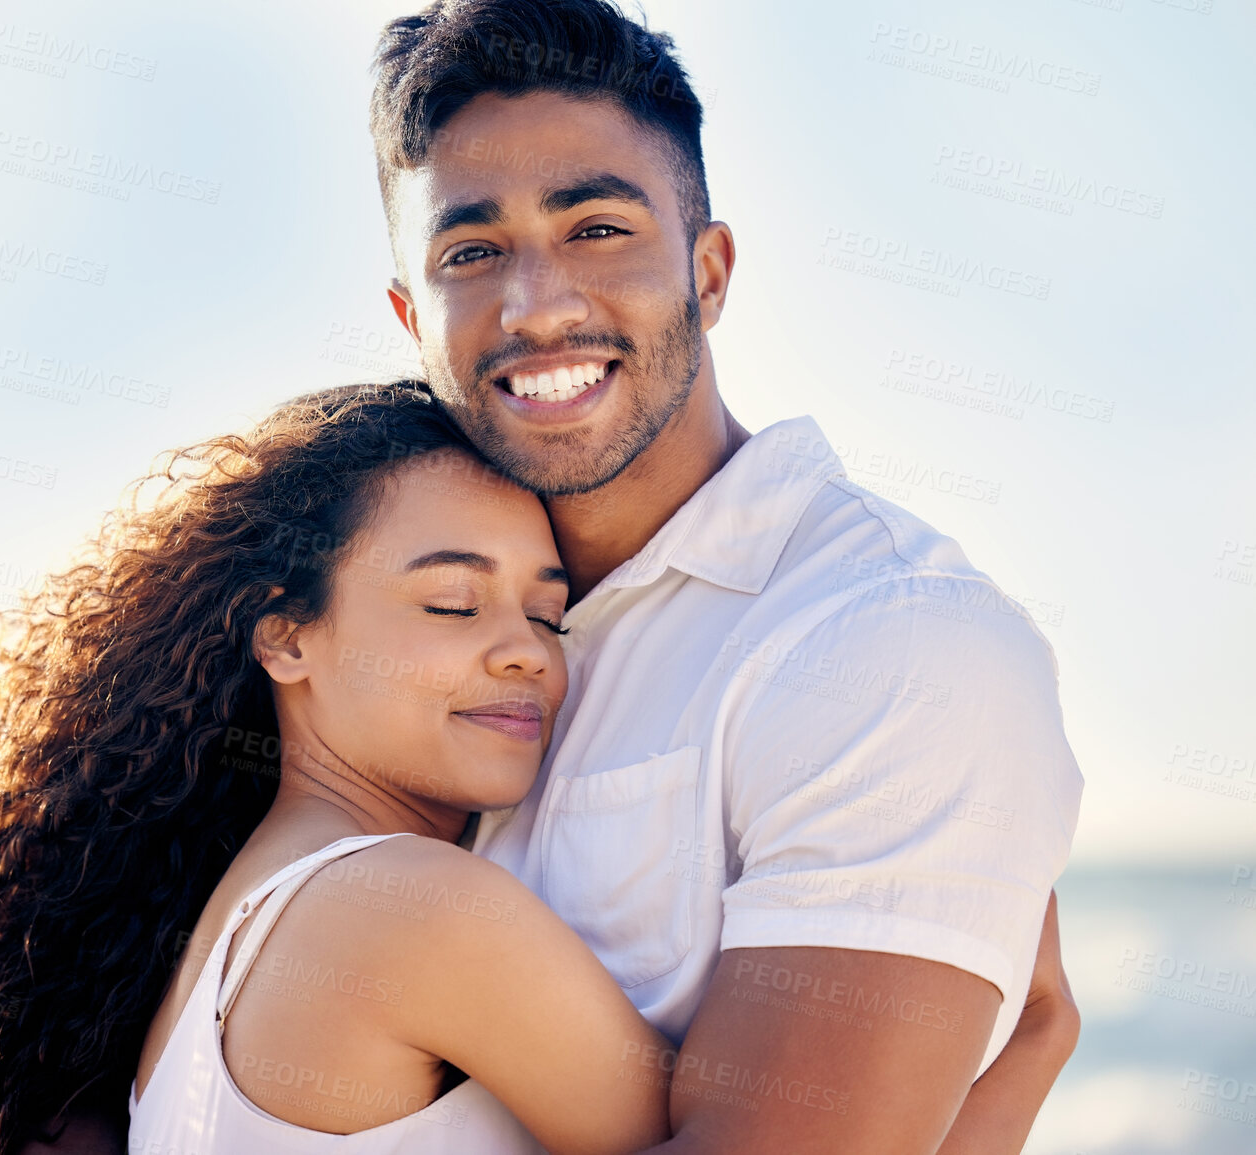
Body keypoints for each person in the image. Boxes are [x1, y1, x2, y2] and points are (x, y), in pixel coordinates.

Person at [0, 385, 1073, 1155]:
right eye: (452, 606)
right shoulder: (407, 908)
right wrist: (1021, 1063)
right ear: (286, 635)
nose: (524, 654)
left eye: (545, 610)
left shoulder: (244, 909)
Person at [364, 0, 1085, 1150]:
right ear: (412, 317)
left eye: (596, 227)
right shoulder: (377, 628)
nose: (537, 306)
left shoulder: (894, 645)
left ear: (709, 272)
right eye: (470, 251)